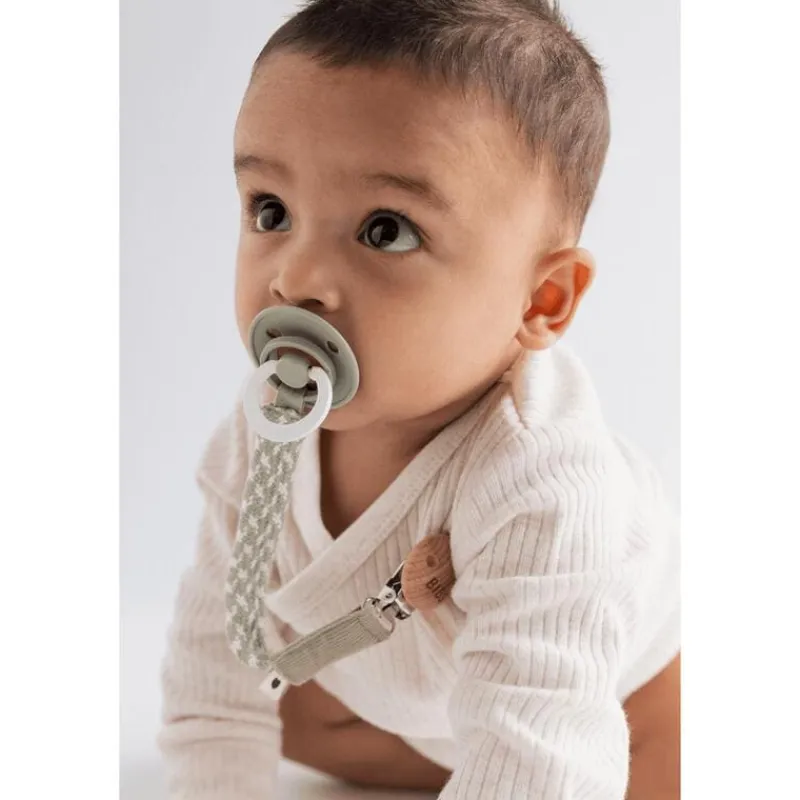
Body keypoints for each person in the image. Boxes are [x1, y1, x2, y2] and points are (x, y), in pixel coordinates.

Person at [158, 1, 680, 797]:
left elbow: (540, 759)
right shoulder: (265, 426)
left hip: (615, 694)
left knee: (633, 765)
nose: (295, 278)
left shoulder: (544, 481)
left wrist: (513, 764)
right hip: (409, 682)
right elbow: (215, 674)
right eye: (272, 211)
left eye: (386, 231)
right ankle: (462, 744)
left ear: (541, 300)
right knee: (263, 681)